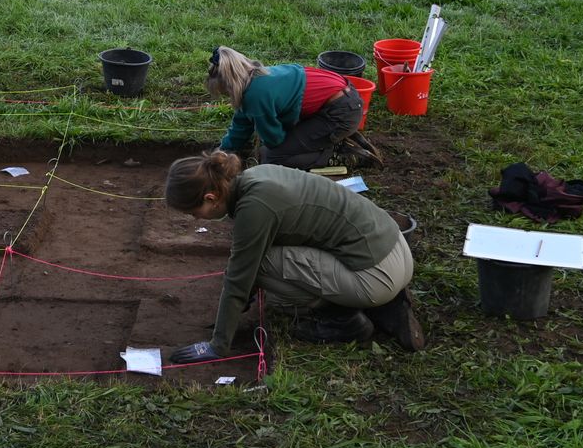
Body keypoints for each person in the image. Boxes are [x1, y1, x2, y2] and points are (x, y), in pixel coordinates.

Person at [164, 149, 424, 363]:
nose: (195, 219)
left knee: (263, 269)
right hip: (396, 249)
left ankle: (344, 320)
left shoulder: (255, 207)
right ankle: (384, 305)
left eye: (193, 213)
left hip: (376, 273)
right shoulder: (256, 176)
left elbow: (240, 276)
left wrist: (218, 345)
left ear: (211, 197)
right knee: (265, 261)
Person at [209, 46, 378, 171]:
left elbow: (274, 139)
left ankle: (341, 156)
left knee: (271, 157)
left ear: (231, 84)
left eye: (226, 92)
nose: (227, 96)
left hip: (341, 113)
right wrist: (222, 151)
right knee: (273, 148)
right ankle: (329, 137)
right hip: (341, 102)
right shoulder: (256, 77)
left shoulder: (256, 95)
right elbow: (241, 124)